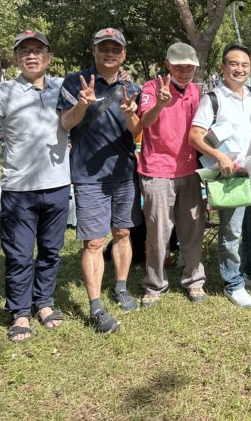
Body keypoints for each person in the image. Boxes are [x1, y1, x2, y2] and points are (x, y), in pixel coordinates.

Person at [0, 30, 71, 342]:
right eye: (24, 51)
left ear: (48, 57)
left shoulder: (61, 87)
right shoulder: (3, 91)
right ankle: (21, 311)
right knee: (20, 254)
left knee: (51, 251)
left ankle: (44, 303)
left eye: (38, 50)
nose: (31, 55)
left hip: (57, 184)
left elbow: (72, 120)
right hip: (19, 188)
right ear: (16, 58)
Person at [58, 27, 142, 334]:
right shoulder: (74, 82)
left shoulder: (132, 87)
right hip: (89, 175)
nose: (110, 53)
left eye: (115, 49)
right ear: (94, 51)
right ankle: (96, 306)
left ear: (123, 54)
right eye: (104, 48)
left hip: (123, 172)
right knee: (94, 241)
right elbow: (66, 122)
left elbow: (136, 131)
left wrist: (132, 113)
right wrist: (83, 103)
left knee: (122, 231)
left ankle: (121, 286)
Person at [190, 43, 251, 308]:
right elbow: (195, 135)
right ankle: (233, 282)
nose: (239, 69)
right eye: (234, 64)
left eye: (245, 65)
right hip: (231, 176)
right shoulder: (213, 98)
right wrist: (220, 156)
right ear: (223, 67)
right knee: (232, 232)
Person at [137, 42, 207, 307]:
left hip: (189, 169)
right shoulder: (152, 88)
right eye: (179, 66)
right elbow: (144, 123)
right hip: (157, 169)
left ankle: (194, 280)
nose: (184, 71)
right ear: (168, 65)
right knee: (157, 231)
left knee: (192, 227)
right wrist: (160, 105)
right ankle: (155, 284)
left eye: (189, 66)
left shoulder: (196, 92)